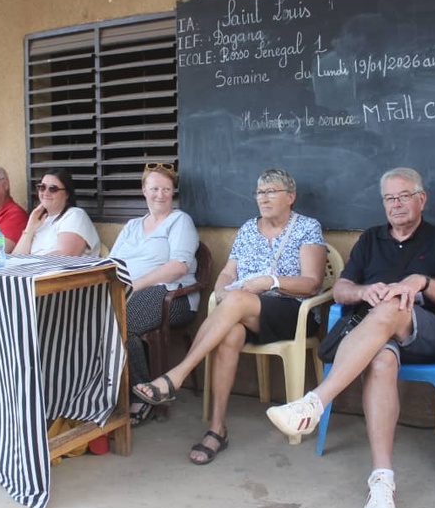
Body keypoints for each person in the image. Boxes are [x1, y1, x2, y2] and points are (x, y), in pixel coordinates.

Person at [266, 167, 435, 508]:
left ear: (422, 199)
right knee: (380, 359)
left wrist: (421, 282)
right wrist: (364, 290)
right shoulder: (371, 239)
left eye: (404, 196)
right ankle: (382, 481)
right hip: (374, 336)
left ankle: (316, 401)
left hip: (425, 333)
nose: (396, 204)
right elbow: (342, 289)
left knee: (393, 307)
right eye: (389, 198)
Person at [133, 168, 326, 464]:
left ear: (291, 197)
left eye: (271, 191)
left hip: (291, 312)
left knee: (237, 301)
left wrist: (270, 282)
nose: (263, 198)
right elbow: (227, 272)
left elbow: (312, 282)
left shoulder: (306, 227)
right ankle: (216, 428)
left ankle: (177, 375)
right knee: (230, 333)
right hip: (245, 311)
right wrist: (222, 290)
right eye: (259, 192)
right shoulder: (249, 228)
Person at [109, 163, 199, 426]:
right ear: (144, 191)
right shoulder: (133, 225)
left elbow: (178, 267)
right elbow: (111, 262)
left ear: (173, 193)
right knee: (92, 319)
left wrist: (136, 284)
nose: (160, 194)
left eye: (166, 189)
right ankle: (111, 391)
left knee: (124, 323)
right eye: (154, 188)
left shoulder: (180, 221)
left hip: (172, 296)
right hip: (130, 292)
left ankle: (144, 395)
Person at [12, 167, 100, 257]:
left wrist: (29, 264)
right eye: (42, 187)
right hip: (36, 269)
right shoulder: (40, 221)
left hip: (61, 270)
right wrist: (29, 229)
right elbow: (15, 258)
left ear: (67, 194)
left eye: (53, 189)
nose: (46, 193)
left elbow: (64, 257)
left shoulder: (74, 215)